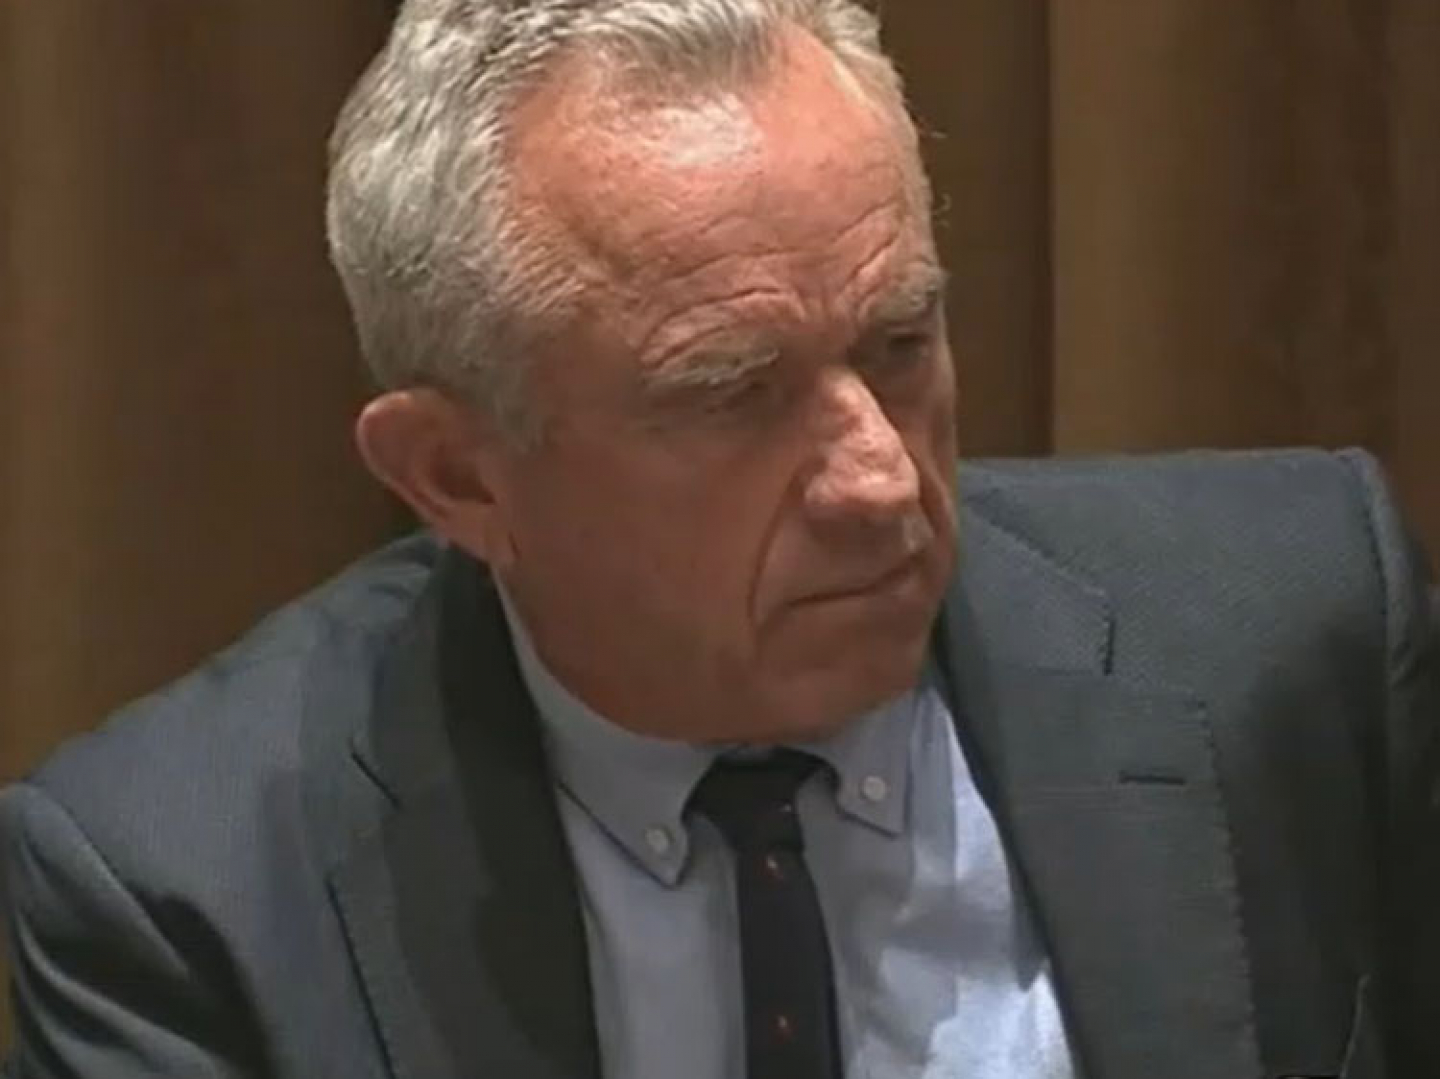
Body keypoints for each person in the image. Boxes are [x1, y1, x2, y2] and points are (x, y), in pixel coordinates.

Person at [2, 1, 1436, 1076]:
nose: (879, 481)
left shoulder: (1296, 633)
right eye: (731, 395)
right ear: (456, 475)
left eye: (900, 343)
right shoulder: (180, 897)